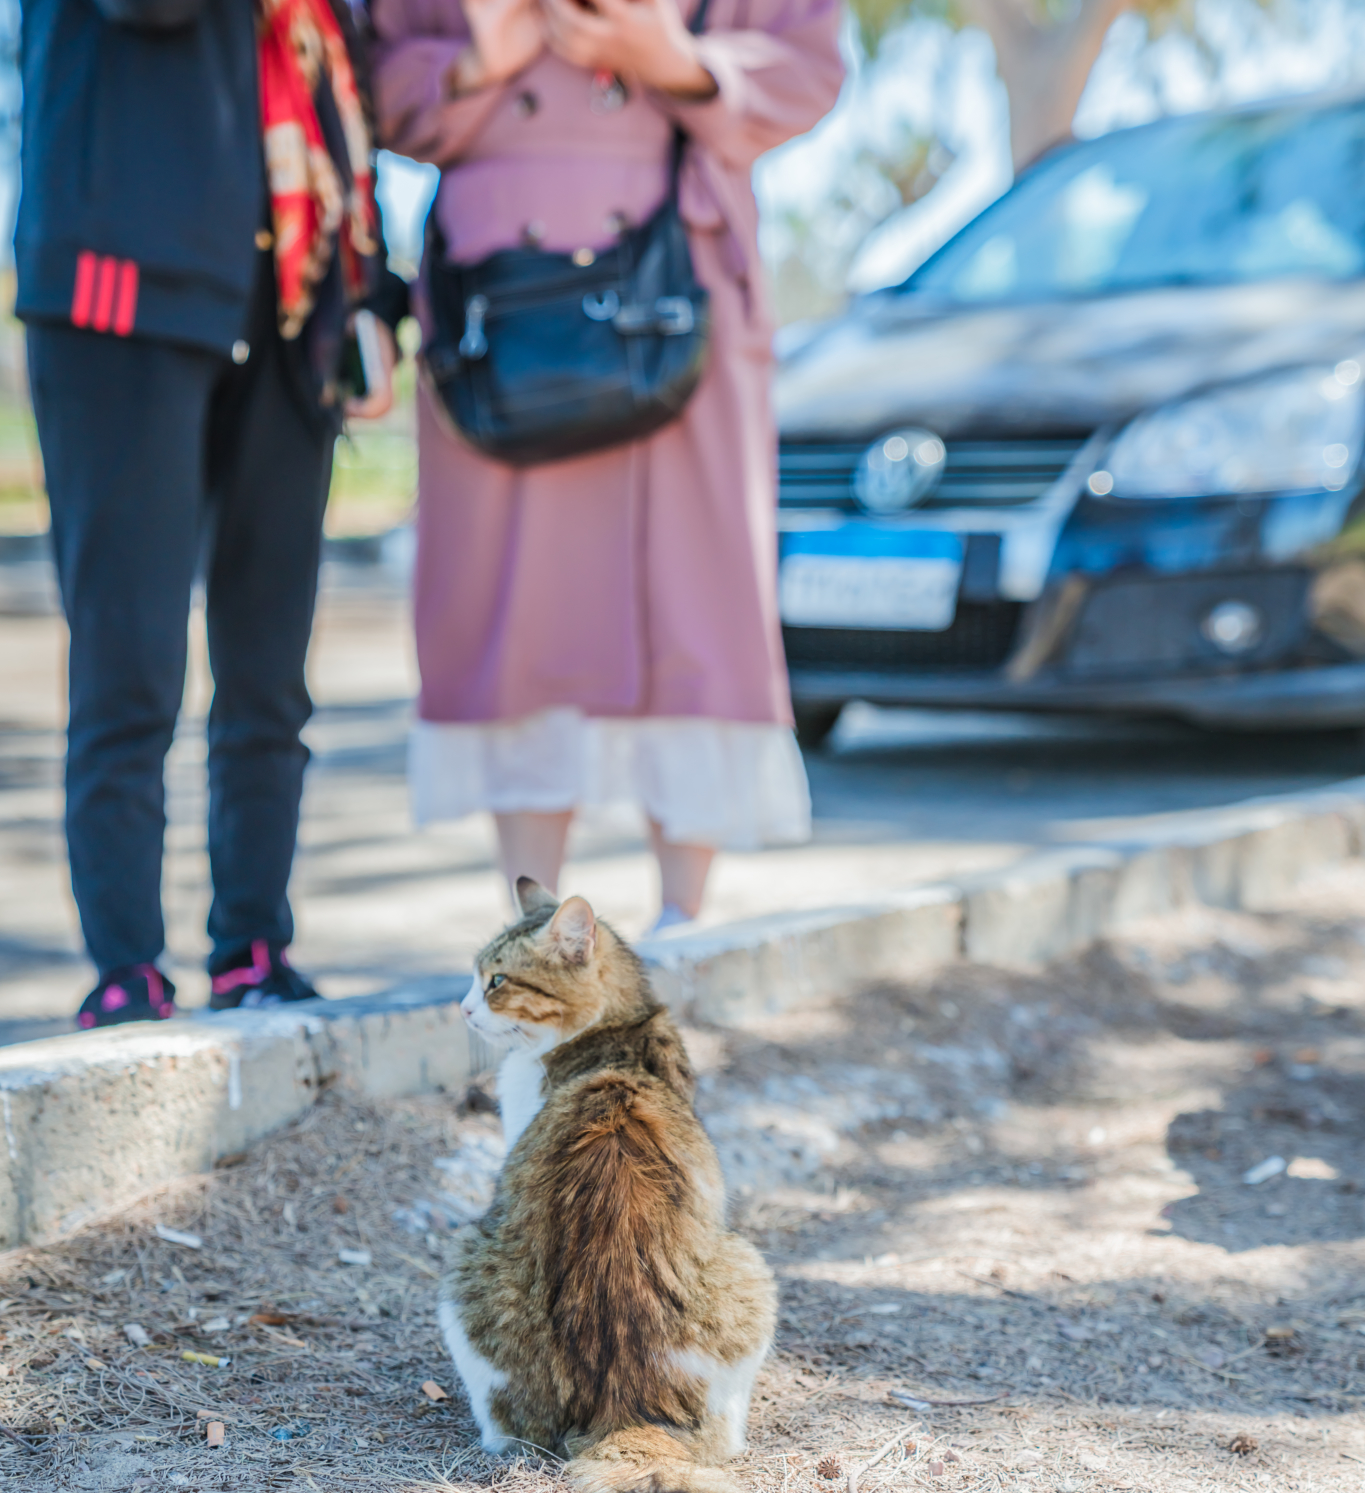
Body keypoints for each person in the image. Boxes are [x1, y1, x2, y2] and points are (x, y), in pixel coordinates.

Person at [370, 0, 842, 927]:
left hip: (677, 281)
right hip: (499, 297)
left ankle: (683, 924)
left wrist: (676, 59)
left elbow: (810, 63)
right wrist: (476, 63)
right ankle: (534, 924)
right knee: (517, 607)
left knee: (691, 596)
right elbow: (371, 73)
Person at [15, 0, 405, 1028]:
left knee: (270, 670)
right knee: (129, 663)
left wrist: (368, 298)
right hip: (120, 294)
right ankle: (126, 968)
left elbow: (335, 94)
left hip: (291, 306)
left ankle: (253, 947)